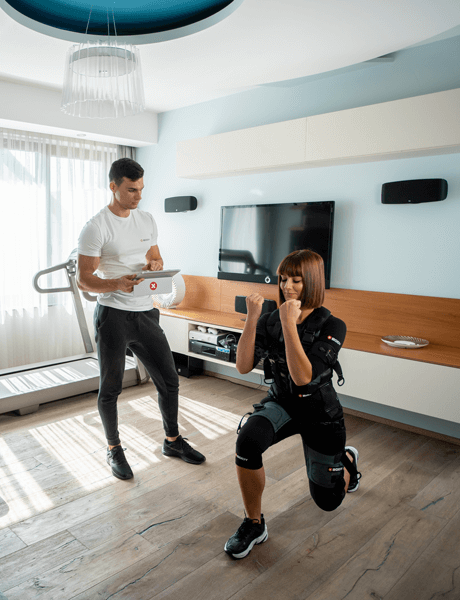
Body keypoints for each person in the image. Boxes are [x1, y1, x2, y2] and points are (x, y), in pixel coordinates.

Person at [224, 249, 361, 559]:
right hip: (282, 402)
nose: (286, 286)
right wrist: (253, 320)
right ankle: (254, 524)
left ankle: (347, 463)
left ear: (312, 282)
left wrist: (290, 324)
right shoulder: (272, 319)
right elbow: (243, 366)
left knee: (328, 501)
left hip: (320, 413)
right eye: (284, 279)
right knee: (247, 441)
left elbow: (303, 377)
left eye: (296, 281)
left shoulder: (333, 326)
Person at [77, 158, 206, 480]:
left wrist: (154, 265)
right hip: (113, 315)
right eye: (131, 190)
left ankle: (172, 441)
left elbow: (155, 256)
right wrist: (115, 284)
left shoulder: (146, 220)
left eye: (141, 189)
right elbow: (84, 280)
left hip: (146, 313)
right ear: (113, 186)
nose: (138, 196)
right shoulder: (96, 226)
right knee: (110, 388)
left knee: (170, 380)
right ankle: (113, 448)